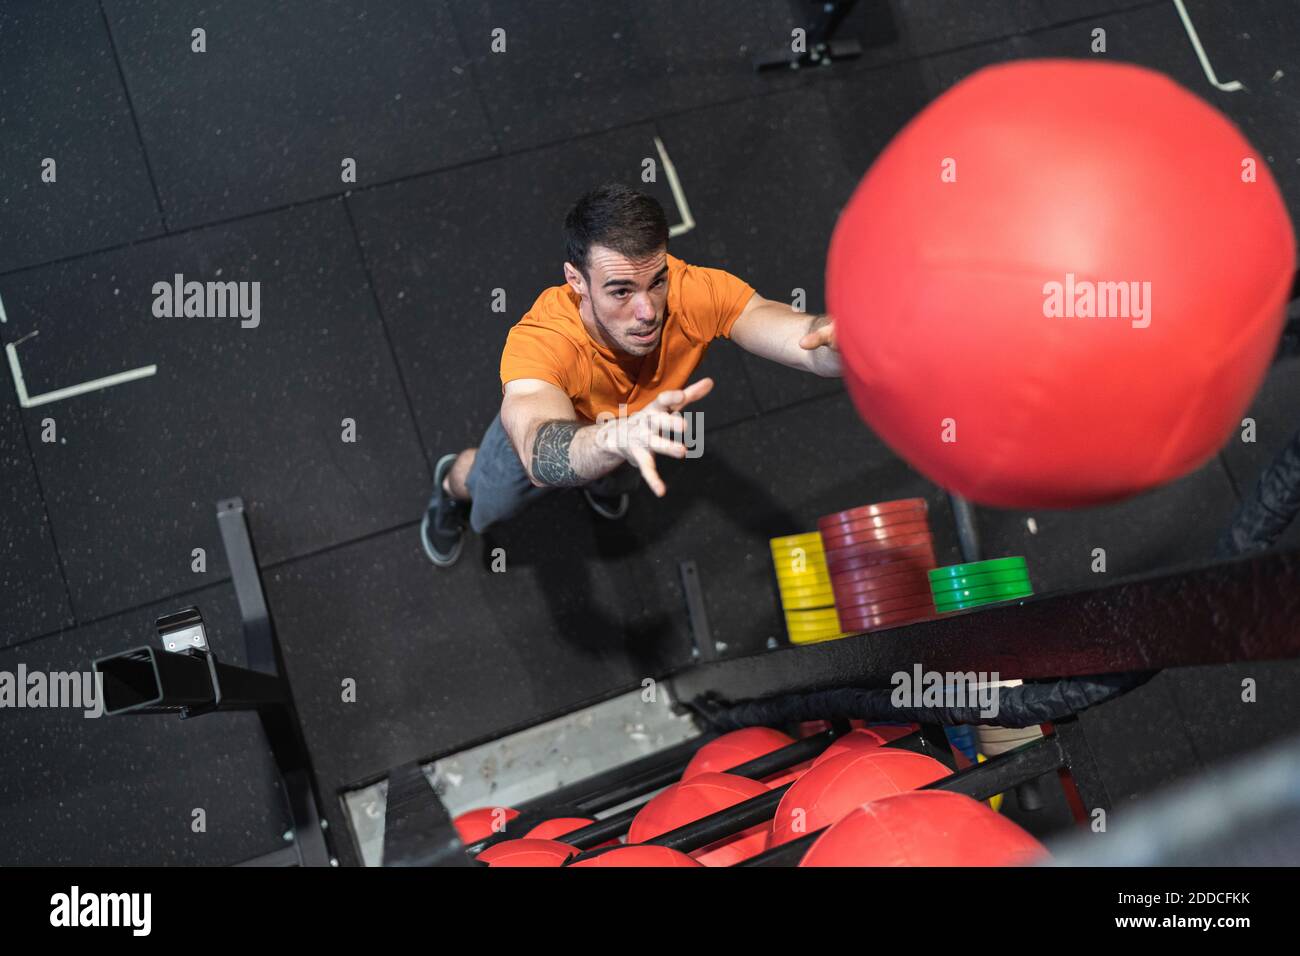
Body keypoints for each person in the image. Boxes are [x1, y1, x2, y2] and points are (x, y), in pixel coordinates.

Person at [421, 183, 841, 567]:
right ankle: (448, 484)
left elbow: (805, 341)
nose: (648, 312)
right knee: (488, 502)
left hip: (636, 430)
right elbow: (537, 448)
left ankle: (602, 479)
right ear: (576, 281)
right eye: (621, 291)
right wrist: (609, 437)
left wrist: (846, 341)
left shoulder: (691, 290)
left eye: (656, 282)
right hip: (568, 440)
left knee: (618, 477)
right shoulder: (543, 339)